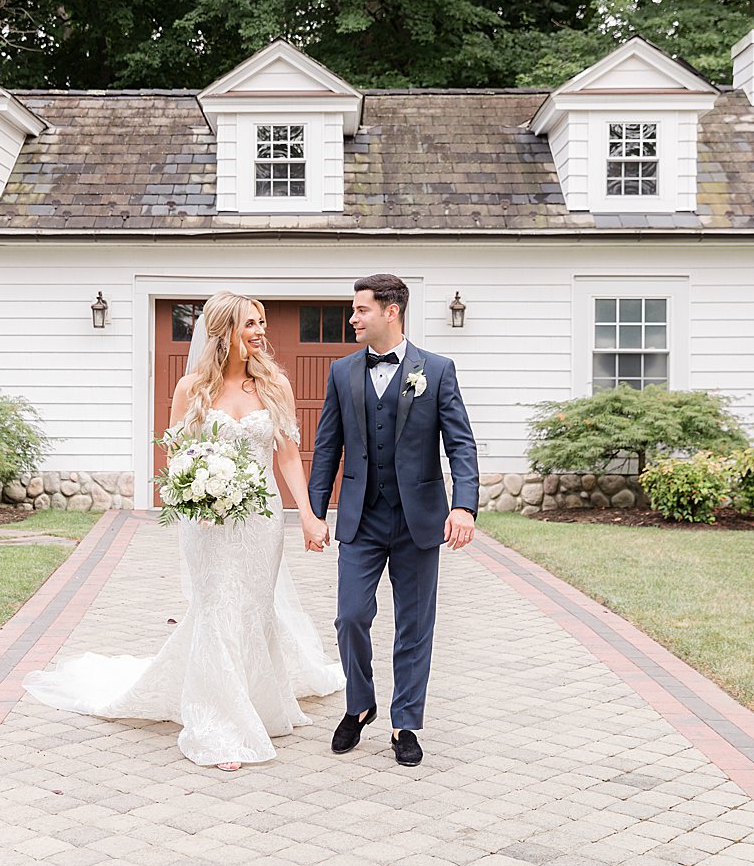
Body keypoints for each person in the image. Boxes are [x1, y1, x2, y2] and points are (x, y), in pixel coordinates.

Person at [23, 291, 343, 770]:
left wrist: (310, 517)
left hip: (260, 520)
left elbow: (287, 457)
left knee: (253, 608)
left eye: (262, 323)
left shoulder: (275, 384)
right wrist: (197, 488)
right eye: (250, 324)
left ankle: (256, 699)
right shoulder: (191, 388)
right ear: (223, 331)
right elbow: (175, 456)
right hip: (208, 521)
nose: (260, 332)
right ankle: (221, 722)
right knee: (216, 607)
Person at [305, 273, 479, 767]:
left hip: (418, 520)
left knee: (414, 625)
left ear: (391, 311)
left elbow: (460, 443)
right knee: (351, 617)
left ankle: (406, 722)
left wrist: (463, 505)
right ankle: (360, 706)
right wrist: (315, 513)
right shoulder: (342, 373)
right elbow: (327, 447)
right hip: (361, 519)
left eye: (361, 310)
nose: (353, 318)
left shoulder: (437, 371)